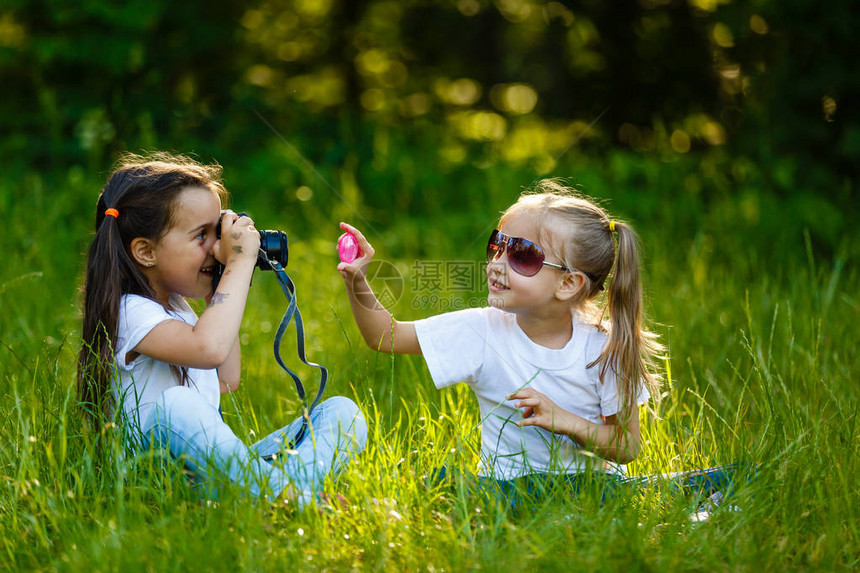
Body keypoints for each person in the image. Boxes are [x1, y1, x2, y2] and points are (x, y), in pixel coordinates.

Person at [77, 153, 366, 507]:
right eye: (202, 236)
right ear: (145, 251)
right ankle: (293, 496)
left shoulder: (179, 309)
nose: (218, 249)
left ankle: (286, 492)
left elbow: (226, 378)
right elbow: (210, 350)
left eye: (219, 233)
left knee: (341, 413)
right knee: (176, 405)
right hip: (157, 480)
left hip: (210, 472)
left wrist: (220, 287)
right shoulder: (130, 311)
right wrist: (241, 262)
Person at [337, 179, 663, 492]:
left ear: (568, 284)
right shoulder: (483, 331)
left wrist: (563, 420)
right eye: (497, 246)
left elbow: (627, 446)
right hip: (504, 489)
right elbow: (386, 336)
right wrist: (358, 281)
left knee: (707, 482)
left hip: (593, 489)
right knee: (441, 482)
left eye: (522, 255)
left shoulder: (604, 348)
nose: (497, 264)